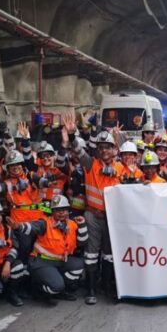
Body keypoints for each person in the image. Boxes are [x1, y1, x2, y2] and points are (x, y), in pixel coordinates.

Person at [62, 113, 124, 305]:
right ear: (97, 149)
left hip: (112, 219)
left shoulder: (121, 169)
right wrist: (72, 136)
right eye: (101, 147)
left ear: (114, 149)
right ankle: (91, 289)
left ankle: (107, 286)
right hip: (93, 216)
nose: (104, 151)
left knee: (109, 254)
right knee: (91, 252)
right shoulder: (90, 165)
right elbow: (78, 151)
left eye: (108, 147)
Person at [13, 195, 87, 305]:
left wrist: (82, 225)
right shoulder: (45, 223)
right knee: (56, 286)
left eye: (64, 210)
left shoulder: (72, 224)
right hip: (41, 262)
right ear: (52, 212)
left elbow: (82, 242)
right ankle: (39, 291)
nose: (61, 213)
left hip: (60, 261)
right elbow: (32, 227)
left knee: (79, 265)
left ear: (68, 210)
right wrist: (18, 227)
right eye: (57, 210)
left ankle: (60, 291)